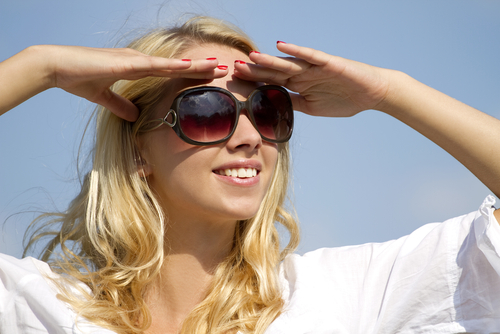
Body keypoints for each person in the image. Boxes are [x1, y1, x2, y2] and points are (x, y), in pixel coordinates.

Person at [1, 15, 499, 334]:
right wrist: (38, 66)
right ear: (137, 150)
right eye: (206, 111)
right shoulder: (44, 308)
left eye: (268, 111)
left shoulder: (340, 295)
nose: (249, 137)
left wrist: (390, 92)